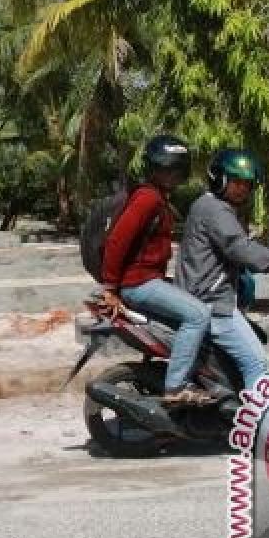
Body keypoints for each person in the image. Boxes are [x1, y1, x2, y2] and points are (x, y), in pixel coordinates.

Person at [176, 149, 269, 390]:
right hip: (213, 303)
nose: (242, 189)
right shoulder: (214, 209)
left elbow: (241, 249)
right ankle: (258, 426)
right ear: (220, 178)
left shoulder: (213, 206)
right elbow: (240, 249)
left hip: (208, 297)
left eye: (247, 184)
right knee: (256, 364)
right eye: (236, 182)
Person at [98, 135, 213, 405]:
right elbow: (117, 240)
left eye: (175, 169)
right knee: (198, 315)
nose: (170, 175)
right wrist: (110, 288)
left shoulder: (158, 198)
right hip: (138, 284)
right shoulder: (148, 198)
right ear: (153, 169)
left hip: (148, 280)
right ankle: (176, 387)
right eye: (164, 169)